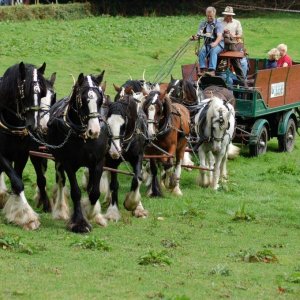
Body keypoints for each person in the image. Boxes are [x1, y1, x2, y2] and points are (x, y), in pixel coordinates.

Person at [218, 6, 247, 86]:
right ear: (225, 15)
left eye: (230, 15)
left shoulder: (237, 22)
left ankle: (242, 81)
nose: (229, 17)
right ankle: (218, 74)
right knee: (218, 58)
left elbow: (240, 35)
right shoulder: (219, 21)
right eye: (227, 15)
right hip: (221, 44)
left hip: (232, 44)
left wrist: (232, 35)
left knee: (238, 61)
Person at [192, 6, 224, 76]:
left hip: (218, 44)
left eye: (211, 16)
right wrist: (195, 37)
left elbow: (219, 36)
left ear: (214, 14)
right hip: (207, 44)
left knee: (213, 50)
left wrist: (215, 43)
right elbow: (199, 35)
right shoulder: (203, 24)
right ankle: (203, 70)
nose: (209, 18)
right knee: (201, 50)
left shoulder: (218, 24)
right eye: (208, 16)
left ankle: (212, 70)